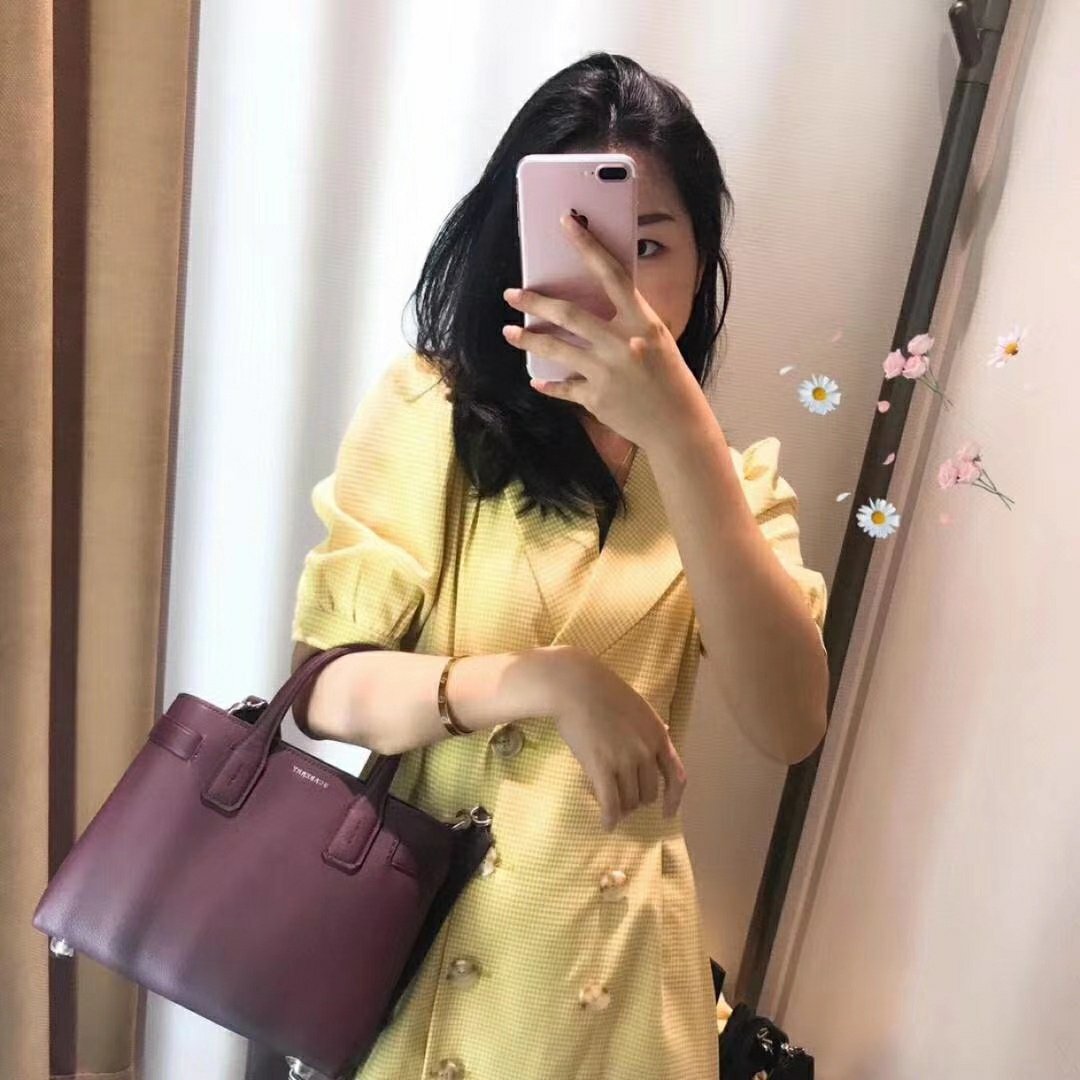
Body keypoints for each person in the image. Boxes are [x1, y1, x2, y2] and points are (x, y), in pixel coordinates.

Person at [290, 50, 827, 1080]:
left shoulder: (734, 482)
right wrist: (546, 681)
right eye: (574, 239)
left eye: (649, 244)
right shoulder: (433, 416)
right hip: (428, 969)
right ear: (516, 246)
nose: (614, 281)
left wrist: (683, 441)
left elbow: (789, 723)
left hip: (619, 996)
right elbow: (325, 690)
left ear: (702, 266)